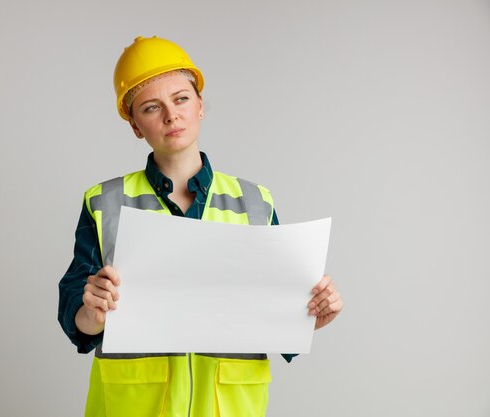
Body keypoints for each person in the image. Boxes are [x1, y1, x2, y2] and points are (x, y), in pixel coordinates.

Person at [58, 35, 343, 417]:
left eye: (181, 99)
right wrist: (90, 315)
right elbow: (75, 308)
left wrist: (312, 316)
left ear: (200, 105)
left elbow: (281, 319)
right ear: (135, 126)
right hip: (134, 406)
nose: (171, 115)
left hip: (229, 407)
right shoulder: (104, 202)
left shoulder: (255, 203)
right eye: (150, 107)